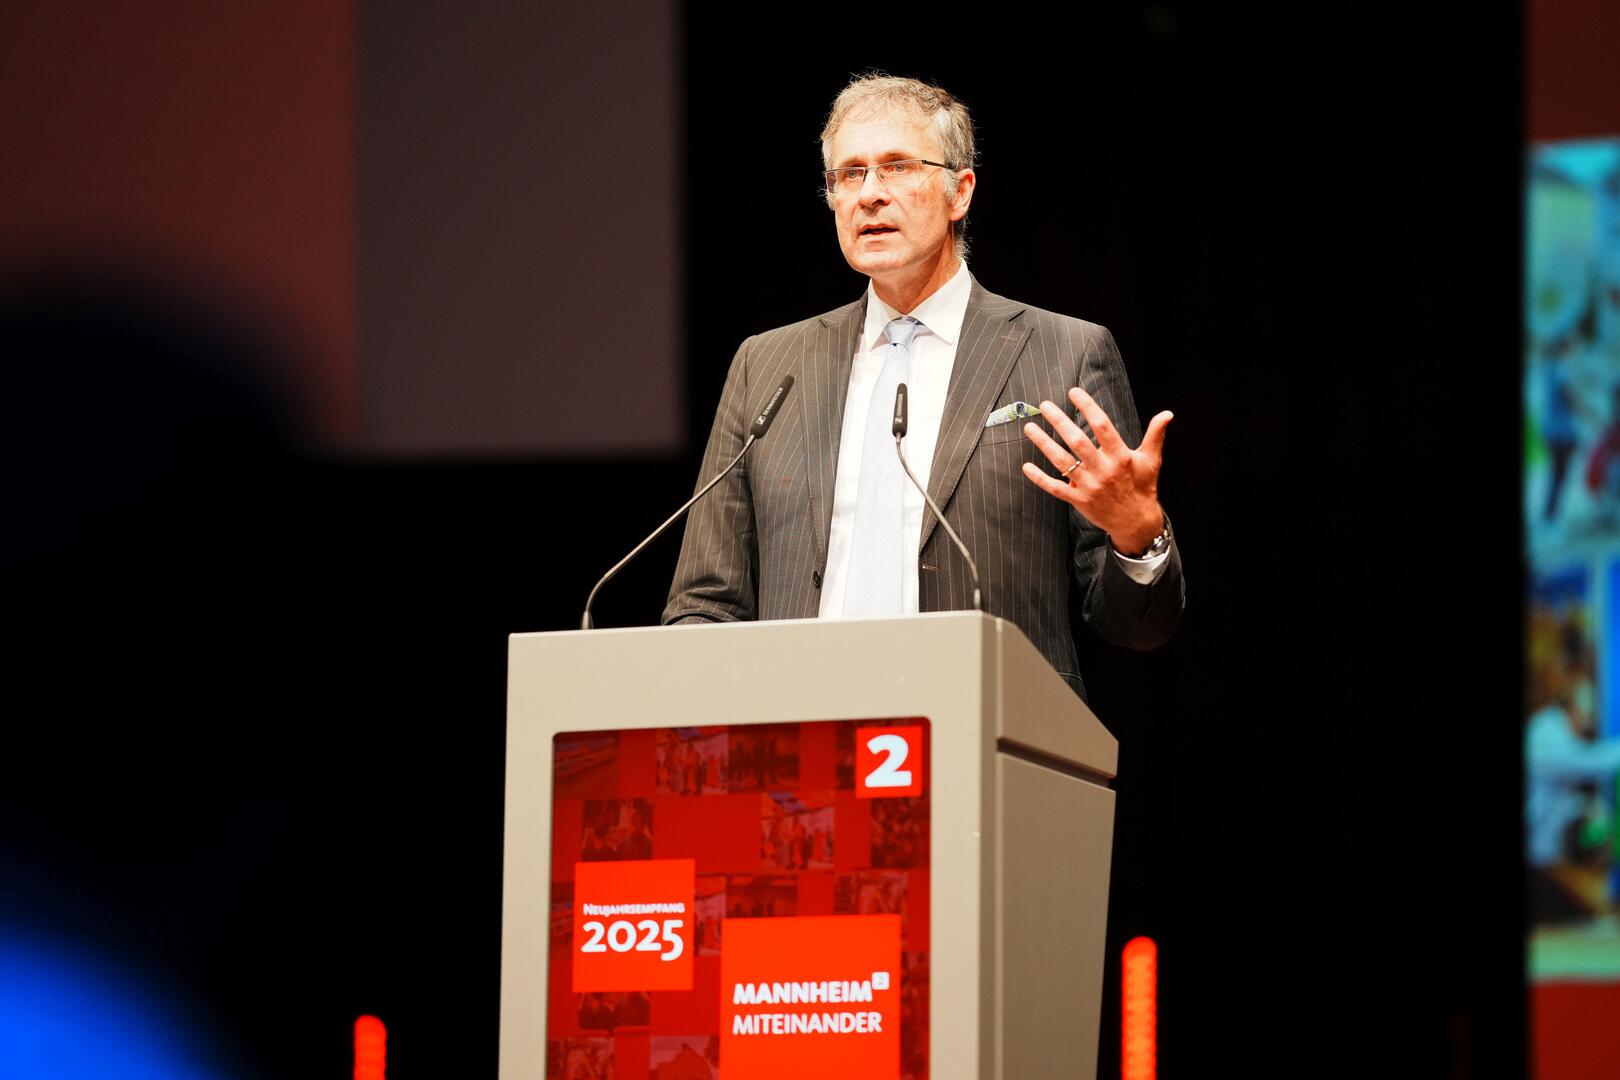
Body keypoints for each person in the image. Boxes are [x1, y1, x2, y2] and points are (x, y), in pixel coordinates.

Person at [663, 75, 1184, 698]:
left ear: (959, 191)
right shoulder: (769, 364)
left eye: (897, 167)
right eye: (849, 175)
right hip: (799, 744)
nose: (870, 195)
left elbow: (1137, 628)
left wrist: (1135, 534)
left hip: (987, 732)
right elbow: (705, 602)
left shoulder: (1063, 353)